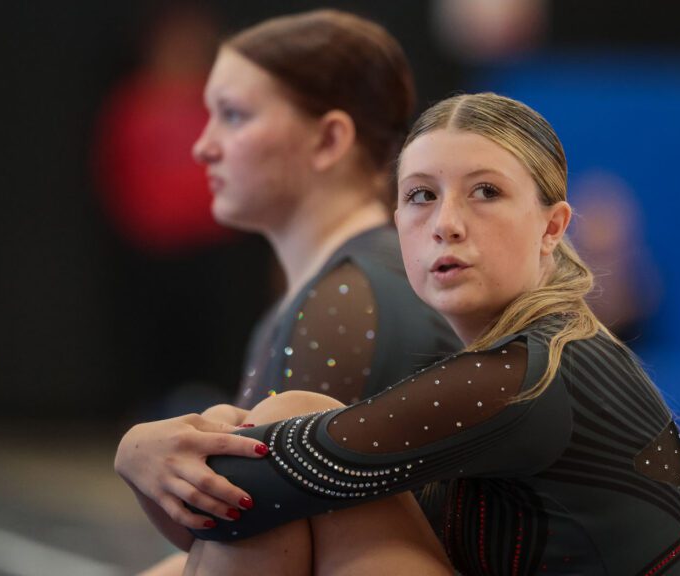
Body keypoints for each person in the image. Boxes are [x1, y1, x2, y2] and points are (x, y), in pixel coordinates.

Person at [119, 93, 680, 575]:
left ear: (552, 227)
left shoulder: (526, 375)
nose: (446, 224)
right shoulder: (528, 356)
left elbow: (234, 500)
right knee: (289, 435)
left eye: (485, 193)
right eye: (421, 197)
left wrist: (140, 449)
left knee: (279, 435)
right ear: (396, 225)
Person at [114, 9, 461, 575]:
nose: (203, 146)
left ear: (328, 139)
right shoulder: (339, 285)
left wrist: (136, 454)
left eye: (232, 115)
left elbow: (242, 533)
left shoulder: (346, 305)